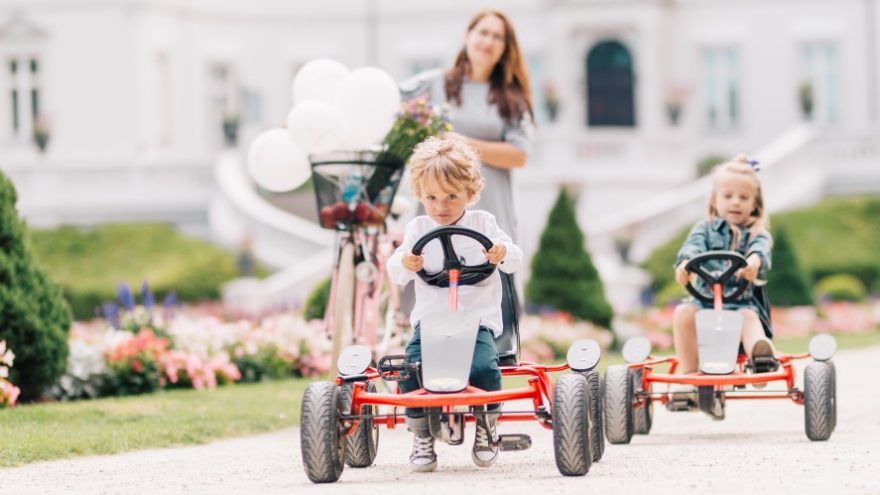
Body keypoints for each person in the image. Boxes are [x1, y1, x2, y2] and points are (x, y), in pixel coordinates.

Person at [398, 8, 534, 355]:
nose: (488, 41)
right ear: (468, 35)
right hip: (438, 200)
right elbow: (394, 114)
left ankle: (490, 359)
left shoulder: (510, 98)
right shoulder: (433, 85)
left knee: (489, 275)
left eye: (497, 37)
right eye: (482, 32)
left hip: (491, 201)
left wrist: (461, 143)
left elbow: (519, 154)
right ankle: (427, 355)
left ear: (506, 48)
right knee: (431, 270)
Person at [386, 136, 523, 472]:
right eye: (431, 197)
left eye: (451, 196)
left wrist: (502, 252)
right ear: (420, 195)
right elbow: (395, 271)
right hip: (431, 323)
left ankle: (487, 426)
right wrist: (406, 262)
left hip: (476, 322)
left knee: (483, 368)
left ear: (470, 193)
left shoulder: (483, 224)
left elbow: (515, 259)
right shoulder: (418, 228)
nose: (441, 206)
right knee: (410, 370)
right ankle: (422, 433)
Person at [670, 154, 775, 398]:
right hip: (703, 304)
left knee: (749, 317)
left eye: (743, 197)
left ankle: (760, 359)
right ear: (714, 200)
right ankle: (690, 377)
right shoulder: (704, 229)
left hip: (740, 305)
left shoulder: (757, 234)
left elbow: (760, 251)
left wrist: (754, 262)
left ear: (755, 204)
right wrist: (684, 265)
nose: (735, 202)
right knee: (683, 312)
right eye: (728, 196)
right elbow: (692, 248)